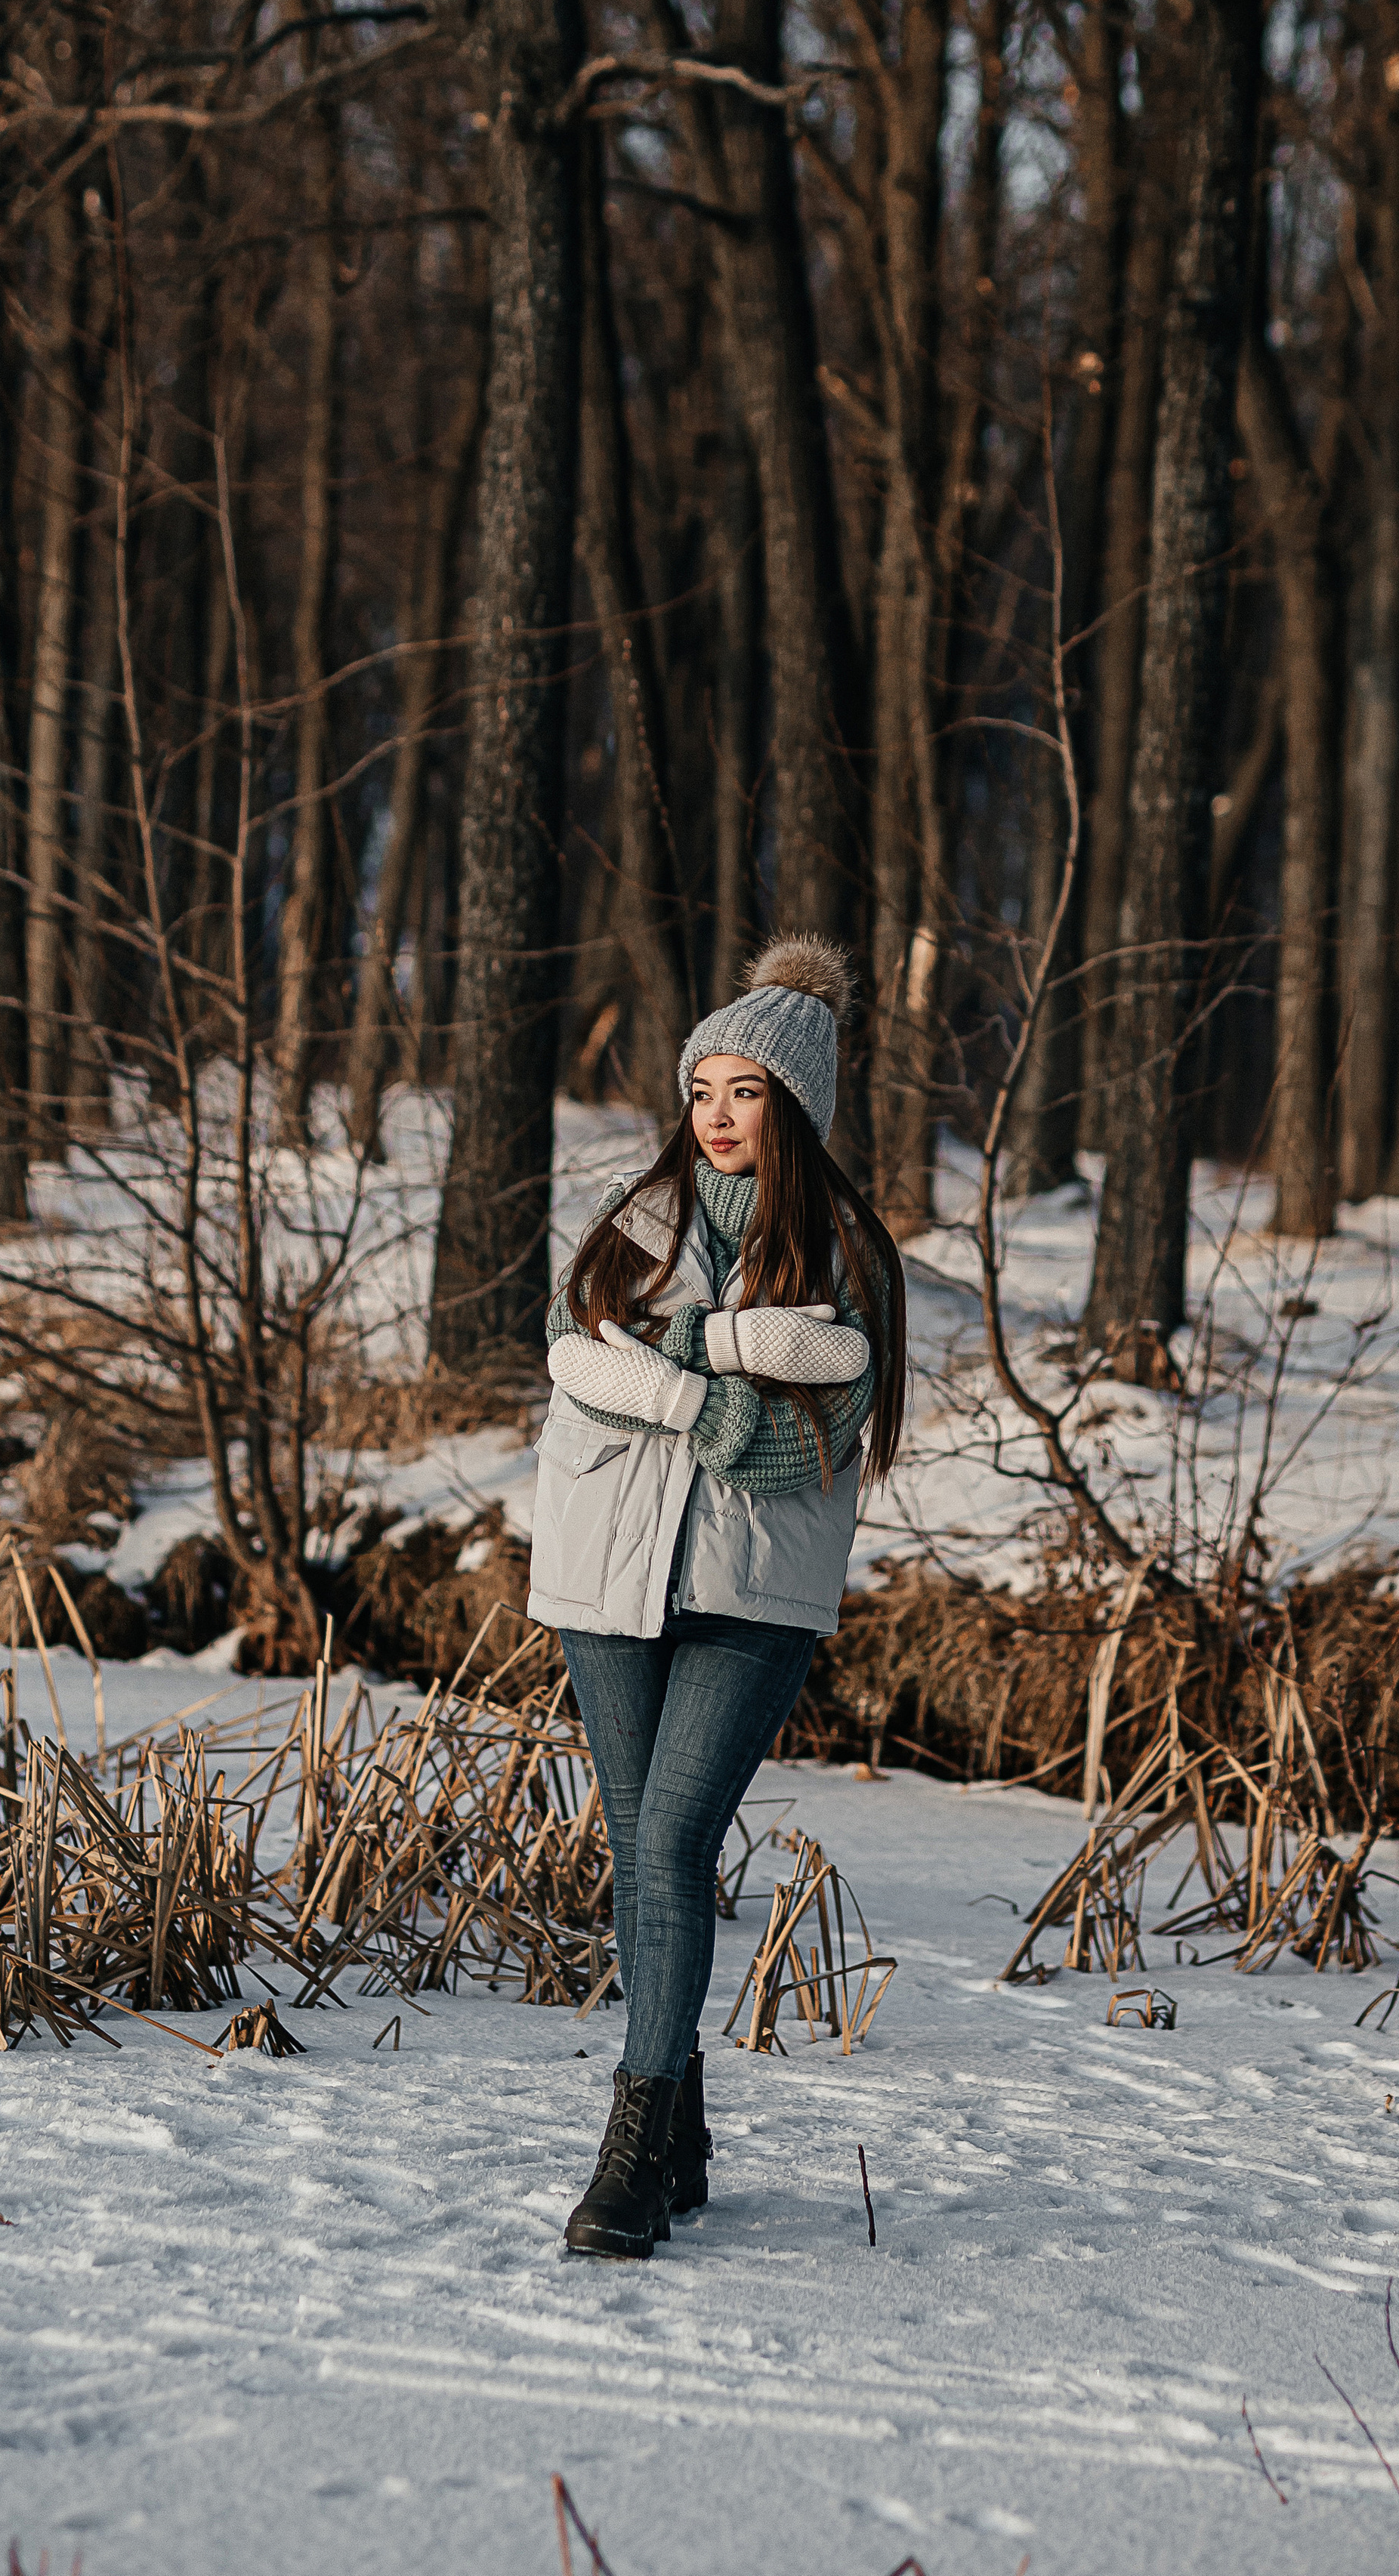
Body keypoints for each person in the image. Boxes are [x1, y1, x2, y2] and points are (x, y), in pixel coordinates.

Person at [528, 937, 907, 2259]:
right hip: (604, 1575)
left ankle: (629, 2152)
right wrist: (716, 1378)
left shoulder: (846, 1252)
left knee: (678, 1839)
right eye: (704, 1090)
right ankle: (681, 2133)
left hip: (753, 1594)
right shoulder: (635, 1220)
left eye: (745, 1092)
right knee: (639, 1854)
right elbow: (578, 1361)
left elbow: (806, 1435)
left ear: (793, 1105)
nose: (718, 1116)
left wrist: (673, 1368)